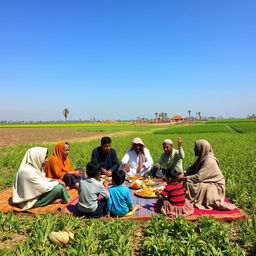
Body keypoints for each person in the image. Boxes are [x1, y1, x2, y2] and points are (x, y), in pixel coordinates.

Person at [179, 139, 236, 210]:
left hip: (215, 185)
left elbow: (199, 177)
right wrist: (184, 173)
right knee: (185, 181)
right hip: (206, 181)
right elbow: (191, 168)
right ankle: (180, 197)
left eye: (196, 147)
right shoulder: (201, 158)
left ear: (201, 148)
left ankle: (185, 199)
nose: (194, 149)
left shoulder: (209, 160)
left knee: (189, 184)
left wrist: (184, 178)